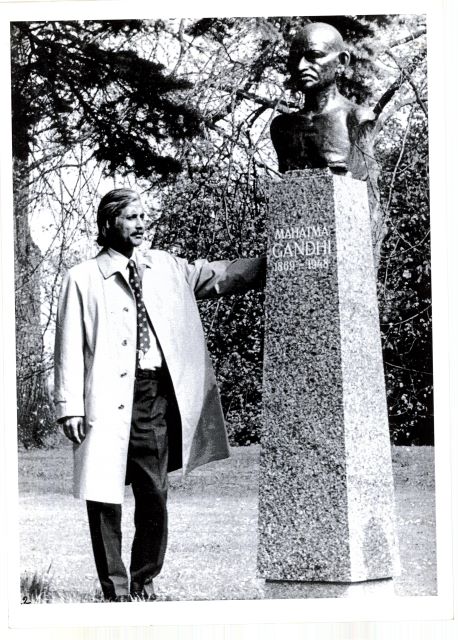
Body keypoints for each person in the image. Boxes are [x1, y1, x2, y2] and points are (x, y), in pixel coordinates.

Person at [54, 188, 265, 602]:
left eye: (143, 216)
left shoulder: (165, 266)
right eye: (131, 217)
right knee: (103, 497)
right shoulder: (82, 278)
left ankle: (143, 580)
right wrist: (69, 407)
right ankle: (114, 589)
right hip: (102, 398)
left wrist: (275, 261)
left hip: (151, 397)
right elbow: (67, 347)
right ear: (108, 224)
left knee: (154, 493)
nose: (141, 223)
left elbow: (217, 275)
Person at [270, 21, 383, 265]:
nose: (301, 67)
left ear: (341, 62)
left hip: (345, 246)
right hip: (298, 249)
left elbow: (365, 199)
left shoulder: (357, 119)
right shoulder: (282, 127)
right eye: (296, 59)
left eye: (314, 57)